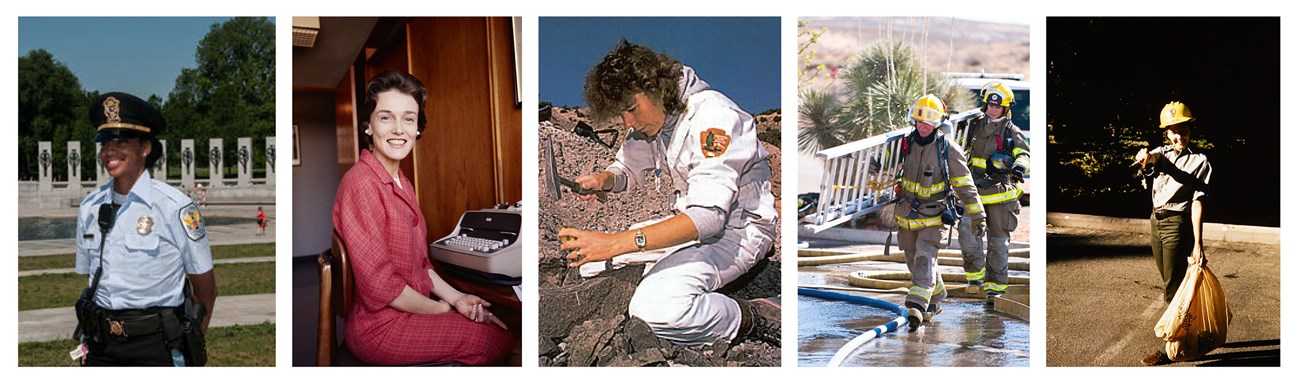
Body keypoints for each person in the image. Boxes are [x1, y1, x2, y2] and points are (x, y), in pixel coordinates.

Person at [556, 40, 780, 346]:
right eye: (622, 115)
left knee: (655, 310)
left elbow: (708, 219)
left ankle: (751, 317)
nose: (628, 123)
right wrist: (602, 179)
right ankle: (670, 277)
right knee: (590, 264)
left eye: (632, 110)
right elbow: (627, 170)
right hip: (689, 223)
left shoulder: (714, 117)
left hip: (737, 231)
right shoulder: (655, 122)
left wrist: (614, 244)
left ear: (655, 87)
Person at [332, 70, 510, 366]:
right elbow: (379, 285)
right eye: (386, 117)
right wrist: (441, 310)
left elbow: (420, 264)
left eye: (409, 119)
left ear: (418, 129)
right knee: (496, 338)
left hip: (409, 310)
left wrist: (456, 299)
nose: (398, 129)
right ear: (368, 125)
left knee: (499, 327)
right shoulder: (361, 184)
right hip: (380, 327)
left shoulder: (402, 181)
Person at [74, 92, 217, 366]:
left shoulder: (175, 207)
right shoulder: (90, 207)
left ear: (145, 148)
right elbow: (91, 280)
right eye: (104, 142)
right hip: (100, 346)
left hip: (156, 347)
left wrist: (192, 340)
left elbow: (205, 288)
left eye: (121, 140)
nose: (109, 150)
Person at [892, 94, 985, 329]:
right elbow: (886, 162)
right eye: (920, 121)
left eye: (929, 122)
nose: (923, 126)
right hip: (907, 216)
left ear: (938, 123)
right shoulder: (905, 144)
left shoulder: (948, 150)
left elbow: (966, 186)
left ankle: (916, 306)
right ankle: (937, 295)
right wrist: (875, 163)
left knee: (924, 259)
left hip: (935, 217)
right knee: (913, 260)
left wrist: (978, 215)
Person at [1135, 101, 1212, 366]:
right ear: (1166, 133)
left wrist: (1198, 244)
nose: (1179, 135)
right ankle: (1191, 332)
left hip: (1177, 225)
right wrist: (1144, 156)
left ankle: (1172, 348)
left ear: (1191, 130)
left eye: (1183, 129)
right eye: (1173, 130)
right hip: (1156, 222)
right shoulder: (1163, 153)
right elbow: (1152, 159)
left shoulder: (1200, 162)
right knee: (1172, 281)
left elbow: (1198, 203)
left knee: (1173, 288)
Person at [956, 81, 1029, 303]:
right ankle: (975, 279)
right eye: (990, 105)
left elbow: (1024, 154)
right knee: (967, 235)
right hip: (974, 192)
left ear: (1005, 109)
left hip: (1001, 196)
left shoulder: (1011, 131)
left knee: (998, 243)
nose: (993, 108)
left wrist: (1018, 167)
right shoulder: (974, 126)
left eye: (997, 106)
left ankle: (994, 289)